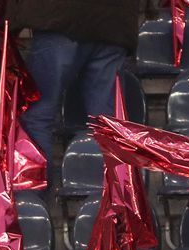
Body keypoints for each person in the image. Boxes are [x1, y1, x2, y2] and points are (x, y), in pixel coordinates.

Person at [8, 0, 137, 164]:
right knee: (108, 123)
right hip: (115, 23)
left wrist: (12, 19)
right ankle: (113, 188)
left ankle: (32, 189)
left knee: (38, 116)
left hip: (60, 18)